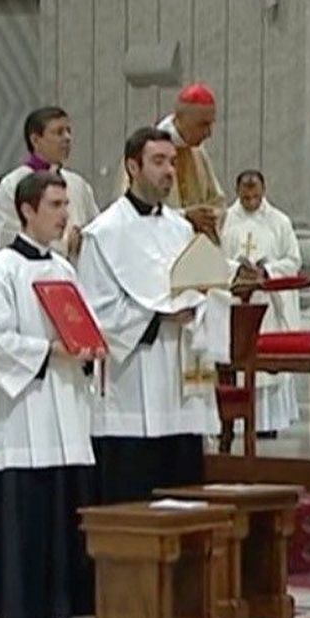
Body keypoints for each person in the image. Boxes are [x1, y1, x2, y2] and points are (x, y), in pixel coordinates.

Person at [0, 171, 99, 618]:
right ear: (27, 210)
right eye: (56, 206)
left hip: (61, 412)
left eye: (66, 205)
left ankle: (49, 611)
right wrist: (48, 352)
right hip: (20, 418)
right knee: (23, 516)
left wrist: (87, 350)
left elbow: (80, 326)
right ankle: (13, 614)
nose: (65, 216)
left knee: (57, 515)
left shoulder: (63, 271)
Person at [78, 127, 225, 502]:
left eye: (172, 162)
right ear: (133, 166)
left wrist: (203, 301)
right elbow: (97, 312)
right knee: (135, 499)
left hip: (181, 384)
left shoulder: (181, 229)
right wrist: (157, 318)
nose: (169, 171)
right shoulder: (104, 234)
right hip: (134, 382)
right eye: (158, 162)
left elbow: (202, 284)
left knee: (186, 495)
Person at [221, 170, 302, 430]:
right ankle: (239, 420)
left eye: (255, 196)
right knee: (241, 361)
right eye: (245, 197)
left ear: (263, 191)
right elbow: (215, 257)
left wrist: (267, 270)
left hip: (269, 303)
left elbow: (293, 261)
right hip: (238, 299)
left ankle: (268, 422)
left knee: (266, 364)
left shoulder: (280, 222)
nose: (251, 201)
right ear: (237, 192)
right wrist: (237, 268)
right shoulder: (226, 221)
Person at [0, 106, 100, 259]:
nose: (67, 138)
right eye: (59, 132)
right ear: (35, 140)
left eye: (69, 131)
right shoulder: (12, 184)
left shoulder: (78, 184)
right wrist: (65, 245)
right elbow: (6, 239)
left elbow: (96, 229)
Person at [155, 83, 227, 240]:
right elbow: (135, 215)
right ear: (179, 119)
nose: (209, 133)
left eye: (211, 124)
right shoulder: (147, 153)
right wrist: (185, 217)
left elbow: (217, 202)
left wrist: (209, 216)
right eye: (203, 125)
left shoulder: (198, 152)